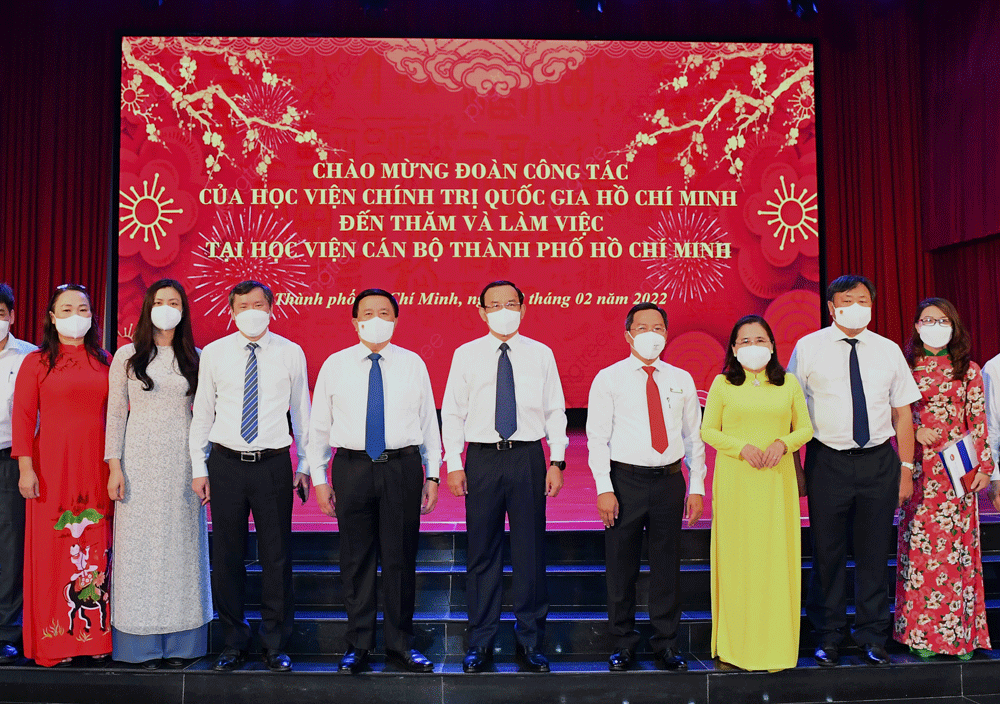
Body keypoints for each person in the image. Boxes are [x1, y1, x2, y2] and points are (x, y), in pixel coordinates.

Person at [787, 274, 920, 667]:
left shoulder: (888, 349)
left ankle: (872, 635)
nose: (855, 306)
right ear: (831, 307)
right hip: (827, 461)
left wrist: (906, 469)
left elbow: (903, 415)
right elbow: (792, 412)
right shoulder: (807, 348)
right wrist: (797, 470)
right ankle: (828, 635)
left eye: (863, 300)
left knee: (874, 553)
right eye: (847, 300)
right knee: (827, 553)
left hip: (880, 461)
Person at [307, 289, 441, 674]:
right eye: (368, 312)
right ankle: (358, 645)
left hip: (402, 467)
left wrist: (432, 472)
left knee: (400, 559)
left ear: (396, 320)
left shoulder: (413, 363)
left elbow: (428, 422)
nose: (377, 318)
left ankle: (401, 645)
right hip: (352, 467)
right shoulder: (335, 365)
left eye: (385, 312)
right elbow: (319, 427)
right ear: (354, 320)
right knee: (357, 559)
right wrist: (319, 478)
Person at [442, 280, 568, 674]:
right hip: (482, 459)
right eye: (494, 304)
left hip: (528, 458)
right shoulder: (466, 354)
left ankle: (530, 642)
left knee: (530, 552)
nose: (503, 309)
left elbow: (556, 412)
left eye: (510, 303)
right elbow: (452, 412)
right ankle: (480, 642)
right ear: (481, 311)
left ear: (524, 308)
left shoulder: (541, 354)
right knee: (482, 553)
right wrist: (454, 462)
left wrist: (557, 460)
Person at [189, 280, 311, 673]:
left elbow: (303, 414)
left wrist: (306, 464)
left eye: (259, 304)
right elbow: (202, 412)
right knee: (227, 556)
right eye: (243, 305)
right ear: (231, 310)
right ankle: (233, 642)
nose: (252, 311)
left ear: (272, 307)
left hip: (273, 463)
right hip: (225, 463)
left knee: (277, 556)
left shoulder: (291, 352)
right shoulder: (215, 354)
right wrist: (198, 466)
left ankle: (275, 644)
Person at [587, 302, 707, 672]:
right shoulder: (609, 378)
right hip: (625, 482)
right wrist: (604, 487)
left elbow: (694, 438)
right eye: (642, 328)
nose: (651, 334)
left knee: (667, 565)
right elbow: (596, 438)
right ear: (628, 334)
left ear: (667, 335)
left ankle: (666, 644)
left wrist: (697, 485)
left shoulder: (681, 378)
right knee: (621, 566)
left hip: (669, 481)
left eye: (658, 328)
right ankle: (622, 643)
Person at [104, 280, 212, 668]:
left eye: (175, 302)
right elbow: (116, 414)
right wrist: (114, 465)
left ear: (184, 310)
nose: (167, 308)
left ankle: (184, 643)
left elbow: (206, 418)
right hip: (137, 463)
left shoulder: (196, 357)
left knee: (182, 548)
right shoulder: (127, 357)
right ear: (148, 307)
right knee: (139, 551)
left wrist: (204, 465)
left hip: (183, 462)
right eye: (160, 301)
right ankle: (140, 645)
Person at [701, 314, 813, 671]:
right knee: (739, 561)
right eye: (745, 341)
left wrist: (783, 443)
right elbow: (708, 431)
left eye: (760, 340)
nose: (753, 347)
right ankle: (736, 647)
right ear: (733, 349)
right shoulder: (722, 384)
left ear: (772, 345)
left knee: (775, 560)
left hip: (775, 483)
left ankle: (776, 646)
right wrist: (741, 448)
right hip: (737, 480)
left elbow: (806, 429)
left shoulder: (788, 383)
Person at [12, 283, 112, 667]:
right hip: (50, 466)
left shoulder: (106, 359)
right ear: (52, 317)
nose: (75, 316)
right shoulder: (36, 362)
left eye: (83, 309)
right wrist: (26, 467)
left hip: (97, 464)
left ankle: (96, 638)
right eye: (66, 309)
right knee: (53, 548)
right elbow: (23, 417)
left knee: (95, 543)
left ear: (92, 316)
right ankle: (56, 641)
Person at [894, 298, 993, 659]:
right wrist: (914, 431)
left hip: (959, 470)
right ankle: (921, 636)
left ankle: (960, 636)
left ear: (954, 324)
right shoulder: (905, 368)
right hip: (920, 471)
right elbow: (893, 414)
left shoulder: (969, 369)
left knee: (958, 552)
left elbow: (978, 420)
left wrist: (985, 466)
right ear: (917, 327)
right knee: (921, 550)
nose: (934, 325)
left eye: (942, 319)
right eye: (927, 319)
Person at [0, 283, 37, 665]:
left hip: (11, 459)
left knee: (11, 551)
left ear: (12, 315)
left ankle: (7, 633)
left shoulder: (30, 356)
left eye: (0, 313)